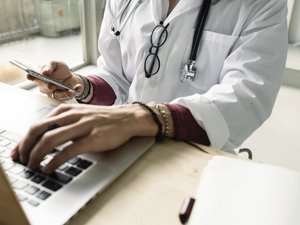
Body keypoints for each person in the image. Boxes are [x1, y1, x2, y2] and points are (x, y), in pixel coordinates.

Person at [11, 0, 288, 174]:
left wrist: (145, 117)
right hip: (123, 145)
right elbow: (116, 75)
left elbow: (247, 97)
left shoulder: (262, 4)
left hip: (194, 158)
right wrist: (80, 86)